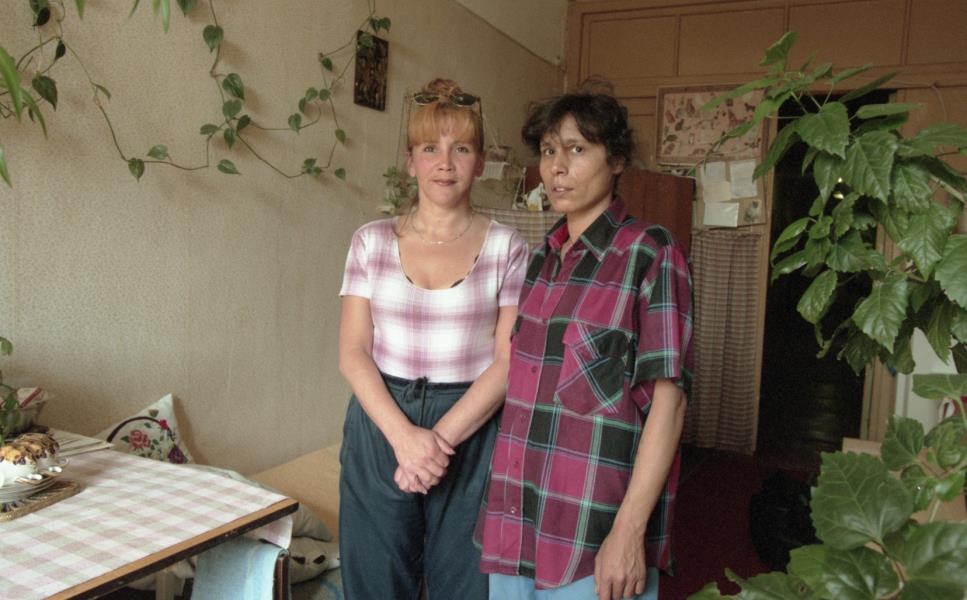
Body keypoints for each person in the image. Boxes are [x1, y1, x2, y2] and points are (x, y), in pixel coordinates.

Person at [476, 91, 694, 600]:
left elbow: (669, 403)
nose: (557, 167)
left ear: (615, 160)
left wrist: (629, 532)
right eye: (549, 151)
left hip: (593, 535)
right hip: (514, 520)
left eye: (577, 150)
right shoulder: (540, 260)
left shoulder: (650, 253)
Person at [338, 78, 528, 600]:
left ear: (480, 161)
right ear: (410, 161)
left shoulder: (507, 247)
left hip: (471, 424)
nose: (445, 163)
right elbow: (353, 354)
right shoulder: (370, 241)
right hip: (381, 421)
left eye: (461, 148)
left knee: (466, 586)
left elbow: (509, 363)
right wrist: (404, 439)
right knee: (375, 584)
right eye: (429, 148)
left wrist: (436, 443)